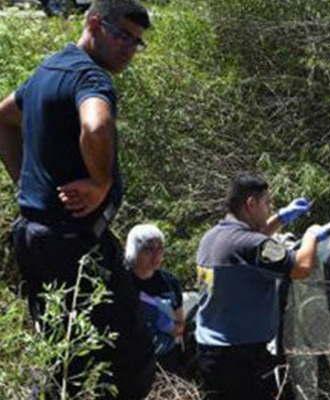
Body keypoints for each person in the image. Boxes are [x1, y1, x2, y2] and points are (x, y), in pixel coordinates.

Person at [0, 1, 154, 398]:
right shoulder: (89, 77)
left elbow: (3, 117)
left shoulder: (49, 70)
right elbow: (96, 123)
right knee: (131, 357)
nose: (128, 49)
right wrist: (100, 182)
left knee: (62, 350)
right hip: (74, 245)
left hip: (36, 237)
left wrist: (22, 180)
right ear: (93, 23)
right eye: (122, 36)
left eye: (136, 43)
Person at [194, 172, 324, 400]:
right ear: (251, 204)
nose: (269, 208)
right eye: (267, 203)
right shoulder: (250, 244)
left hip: (211, 353)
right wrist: (312, 235)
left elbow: (251, 243)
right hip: (240, 361)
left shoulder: (213, 237)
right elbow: (301, 267)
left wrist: (281, 218)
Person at [125, 224, 185, 373]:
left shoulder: (169, 282)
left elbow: (180, 324)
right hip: (130, 360)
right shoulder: (122, 281)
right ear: (134, 250)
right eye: (149, 249)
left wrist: (168, 326)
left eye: (160, 249)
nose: (156, 255)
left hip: (165, 359)